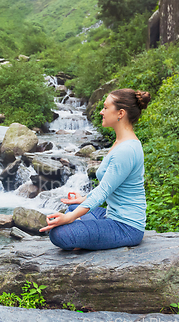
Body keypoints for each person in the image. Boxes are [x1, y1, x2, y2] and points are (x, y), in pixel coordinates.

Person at [39, 88, 151, 250]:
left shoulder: (126, 150)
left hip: (126, 227)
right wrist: (83, 199)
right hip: (111, 216)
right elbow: (110, 185)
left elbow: (103, 191)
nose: (101, 112)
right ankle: (87, 237)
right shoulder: (120, 142)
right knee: (73, 208)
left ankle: (86, 238)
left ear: (120, 113)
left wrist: (70, 218)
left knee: (59, 234)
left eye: (106, 108)